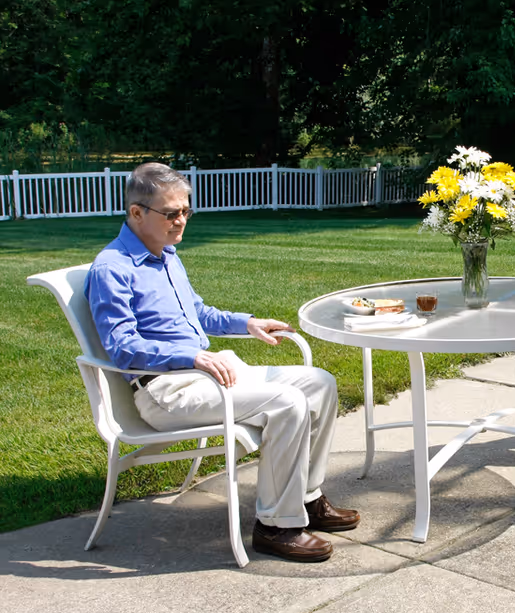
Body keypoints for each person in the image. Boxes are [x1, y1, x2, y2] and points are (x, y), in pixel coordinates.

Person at [85, 162, 358, 562]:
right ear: (136, 212)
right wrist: (191, 355)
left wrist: (246, 323)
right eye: (171, 213)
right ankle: (277, 526)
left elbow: (196, 311)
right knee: (288, 403)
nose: (181, 221)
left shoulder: (166, 255)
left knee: (320, 382)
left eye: (185, 211)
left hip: (205, 374)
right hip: (167, 391)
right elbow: (121, 346)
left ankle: (307, 497)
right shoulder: (112, 269)